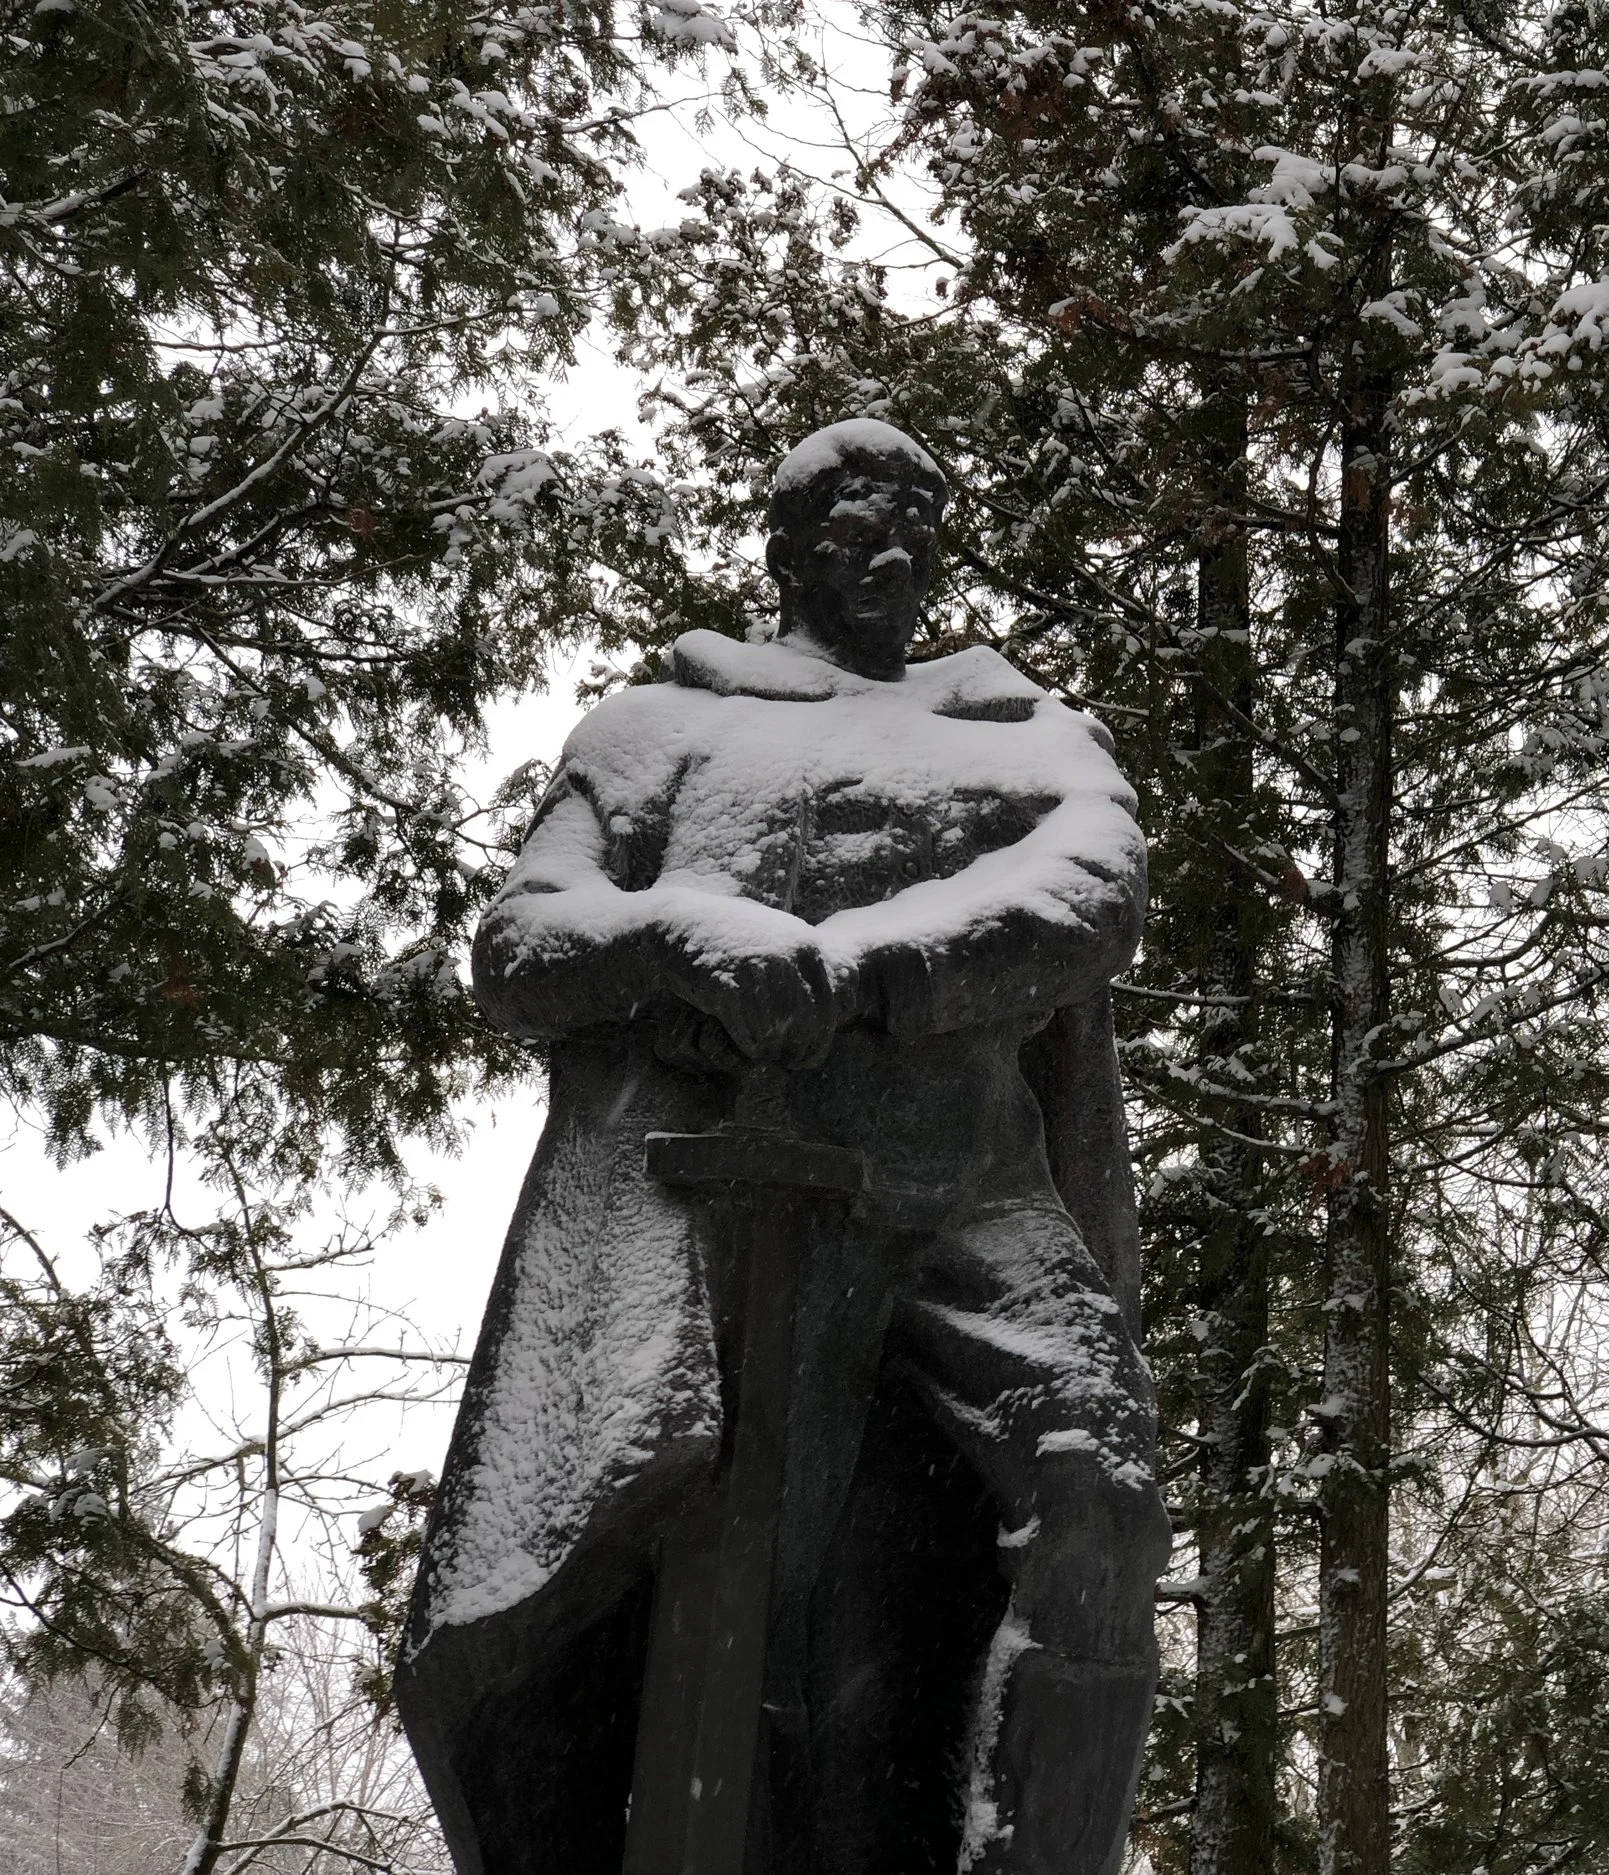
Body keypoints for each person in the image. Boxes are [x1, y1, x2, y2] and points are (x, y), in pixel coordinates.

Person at [396, 419, 1168, 1875]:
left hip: (964, 1200)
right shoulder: (660, 727)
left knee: (1102, 1494)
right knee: (689, 1605)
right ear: (785, 548)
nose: (888, 550)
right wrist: (683, 945)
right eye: (852, 520)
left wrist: (871, 965)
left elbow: (1092, 885)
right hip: (689, 1212)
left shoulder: (1023, 732)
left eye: (914, 523)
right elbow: (523, 937)